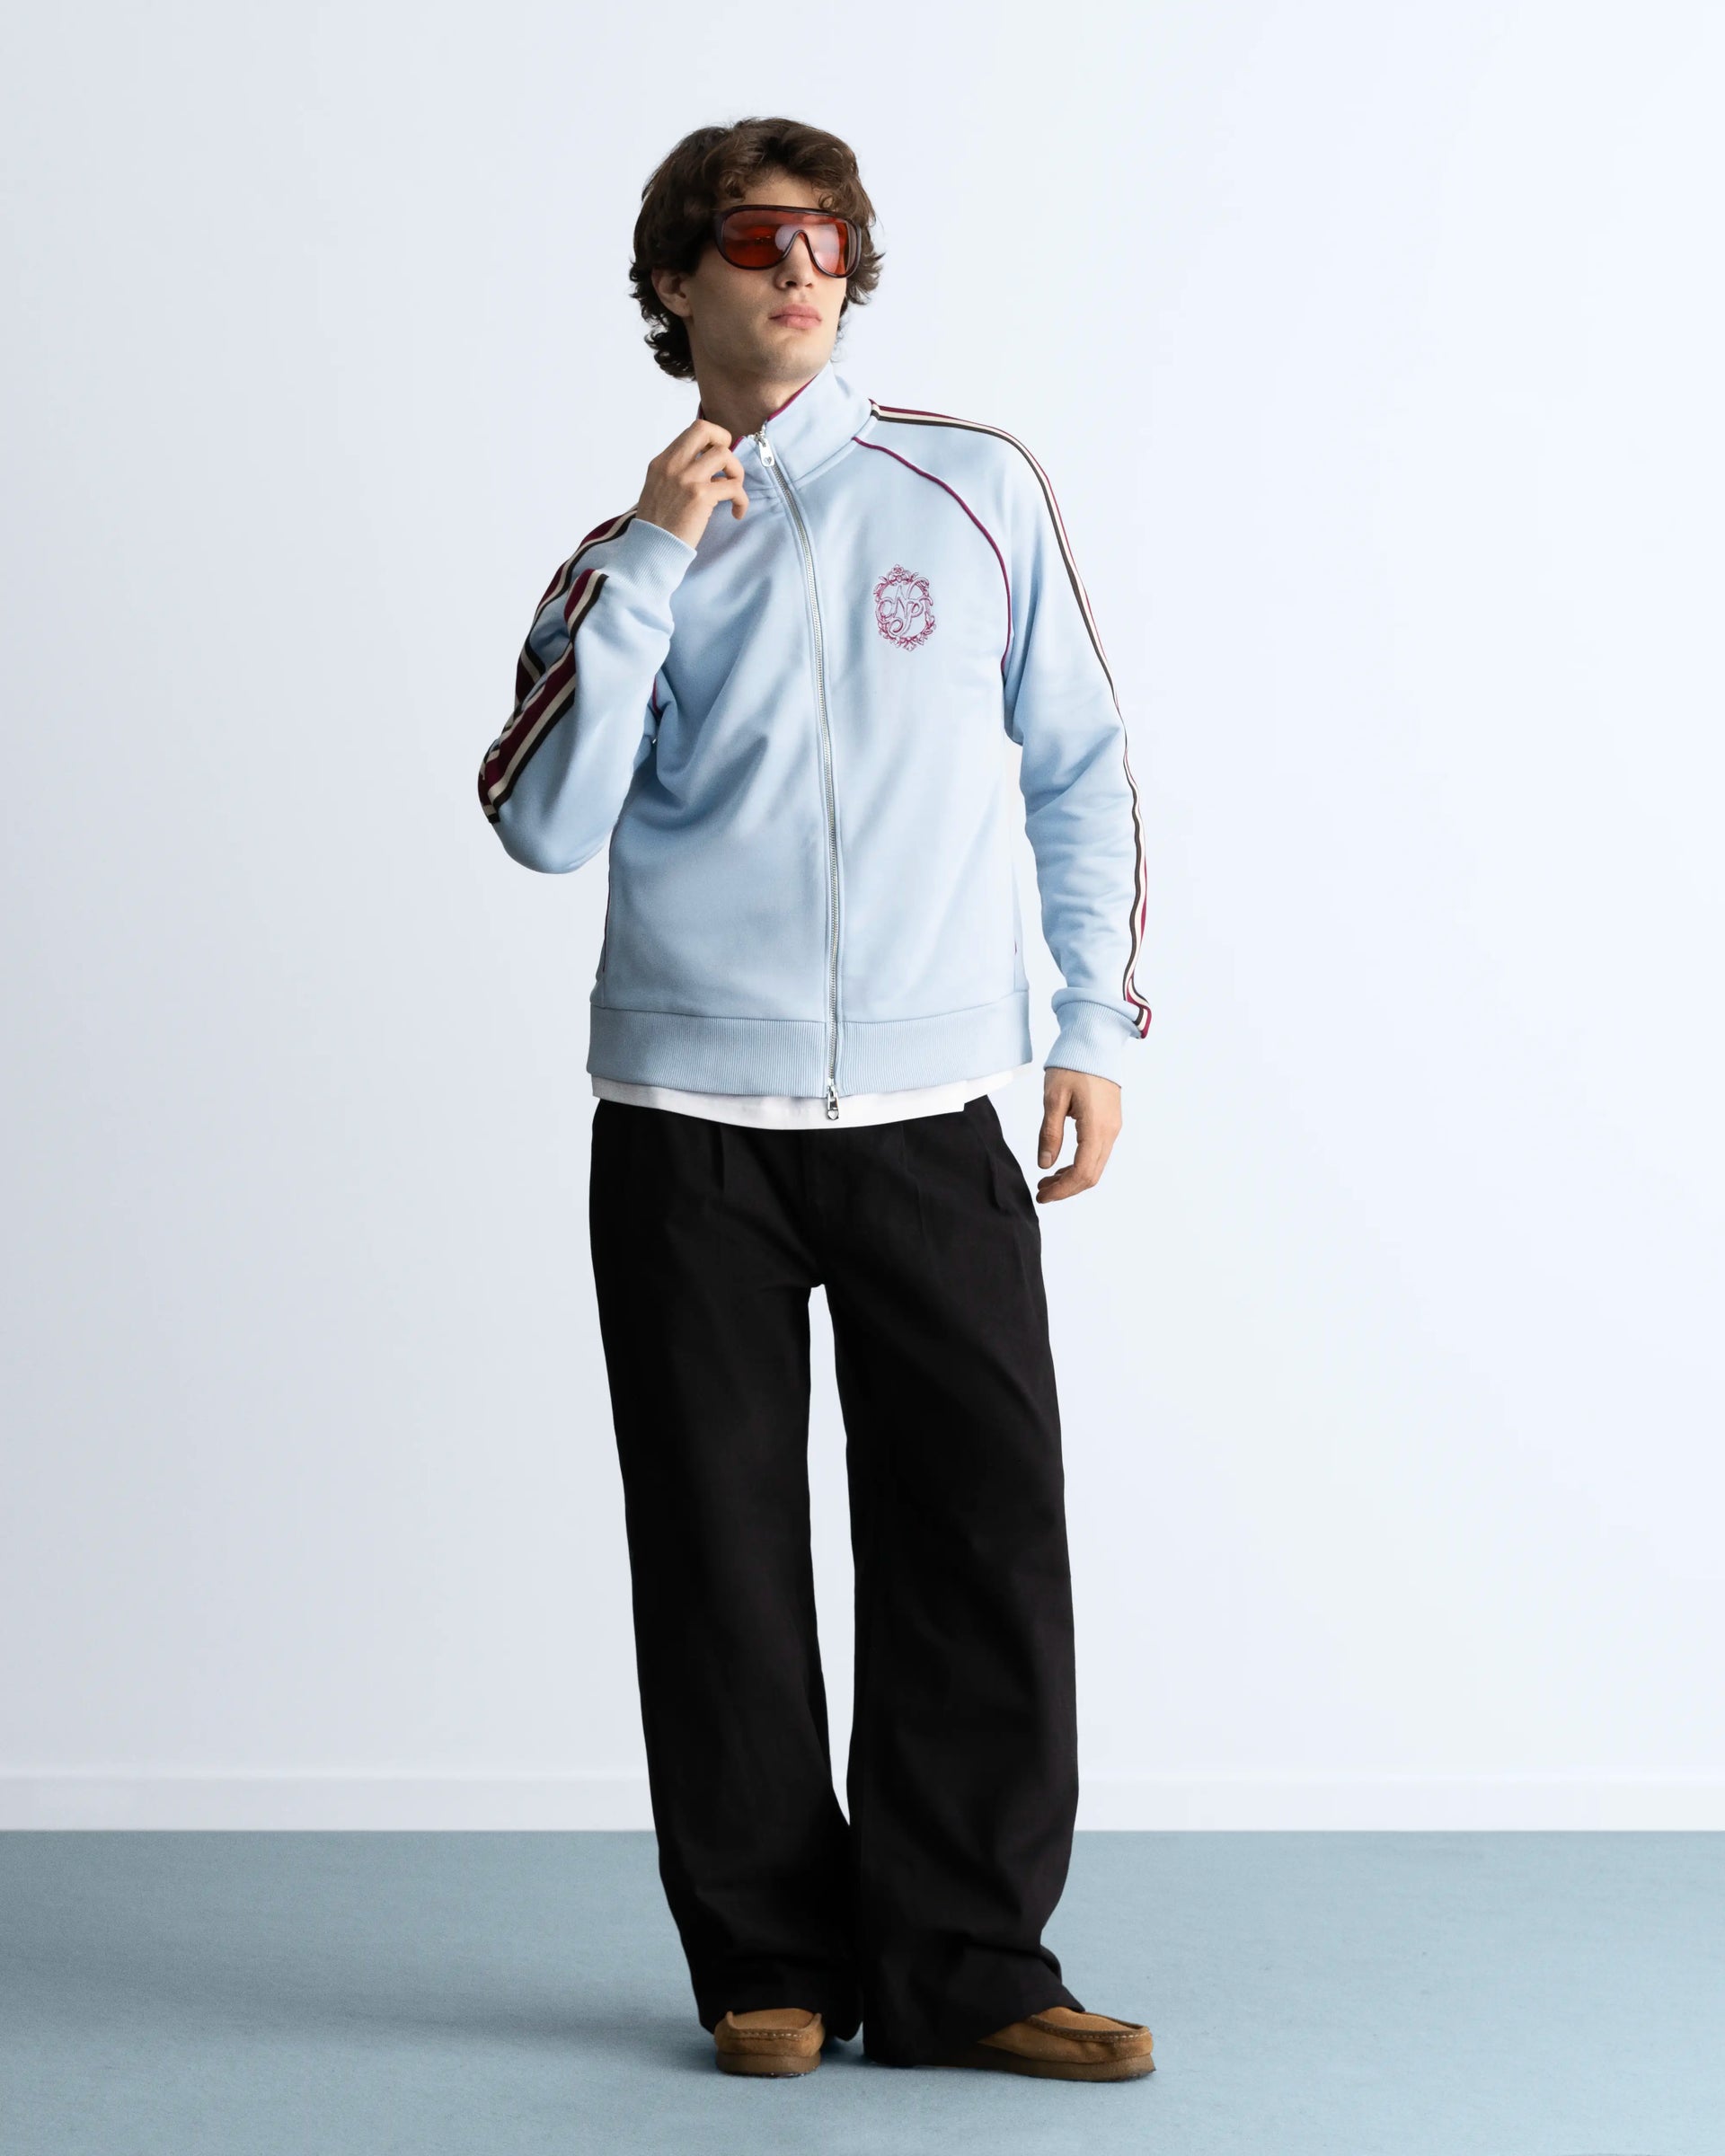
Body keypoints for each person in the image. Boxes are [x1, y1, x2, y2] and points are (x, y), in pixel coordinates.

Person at [476, 116, 1155, 2084]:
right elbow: (542, 821)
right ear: (674, 281)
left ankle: (970, 1964)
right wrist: (655, 560)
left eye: (830, 238)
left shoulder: (971, 490)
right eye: (756, 236)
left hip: (935, 1113)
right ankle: (768, 1959)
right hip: (687, 1125)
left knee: (980, 1540)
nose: (800, 266)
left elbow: (1080, 765)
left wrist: (1094, 1029)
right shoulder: (621, 559)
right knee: (721, 1558)